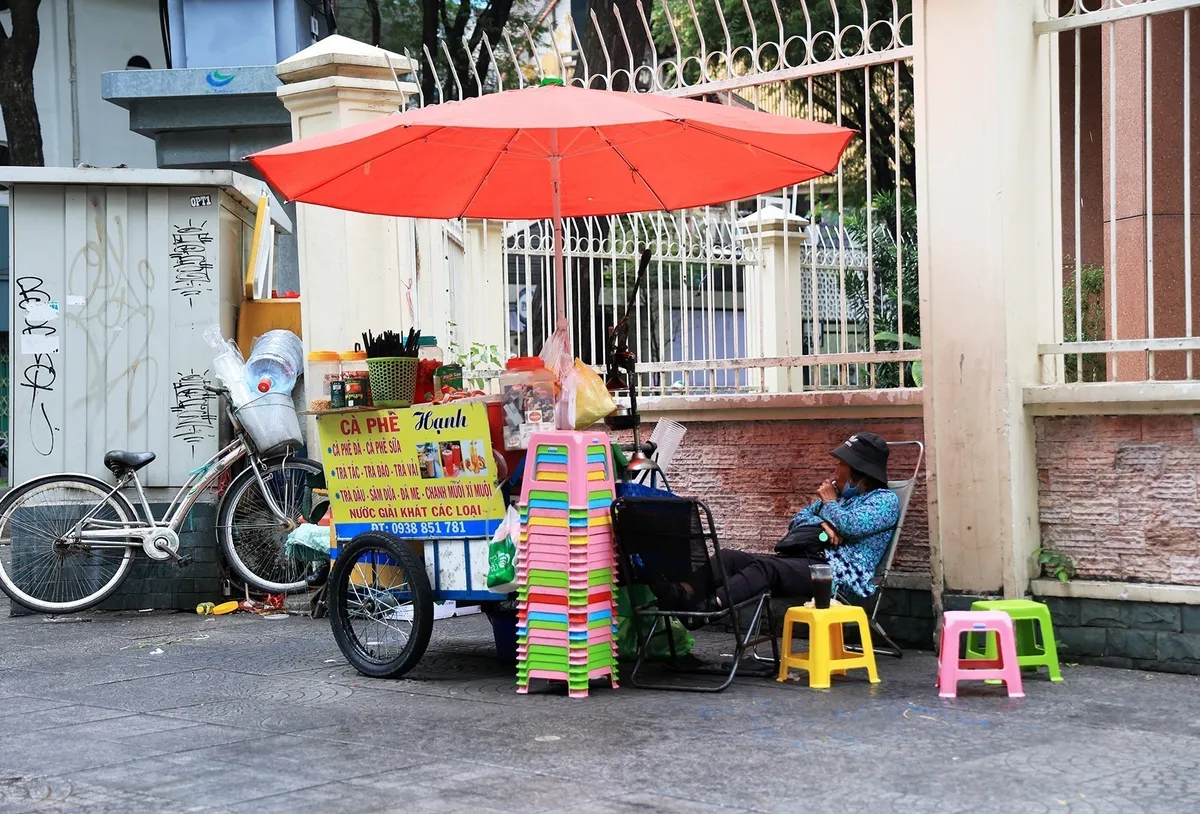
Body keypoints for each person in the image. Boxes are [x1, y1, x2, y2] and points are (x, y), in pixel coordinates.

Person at [654, 432, 900, 612]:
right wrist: (823, 524)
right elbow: (797, 522)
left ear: (858, 471)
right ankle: (682, 594)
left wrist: (830, 505)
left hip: (837, 574)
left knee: (765, 569)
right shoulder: (834, 497)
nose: (835, 470)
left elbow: (851, 526)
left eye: (841, 465)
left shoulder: (884, 501)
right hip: (803, 560)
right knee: (728, 557)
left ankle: (708, 610)